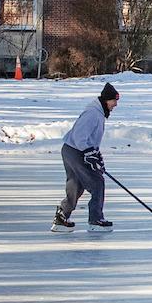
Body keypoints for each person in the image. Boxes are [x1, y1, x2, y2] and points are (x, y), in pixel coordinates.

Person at [55, 82, 120, 230]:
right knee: (97, 182)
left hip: (71, 150)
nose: (115, 104)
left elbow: (89, 140)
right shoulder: (93, 114)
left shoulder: (98, 113)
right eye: (114, 101)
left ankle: (62, 216)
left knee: (76, 186)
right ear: (106, 100)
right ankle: (96, 220)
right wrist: (89, 153)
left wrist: (96, 155)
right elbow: (79, 137)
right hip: (76, 150)